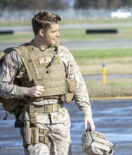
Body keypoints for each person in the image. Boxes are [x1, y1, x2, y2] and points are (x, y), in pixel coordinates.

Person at [0, 10, 95, 155]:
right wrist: (25, 91)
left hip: (60, 120)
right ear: (41, 32)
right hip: (34, 120)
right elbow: (2, 86)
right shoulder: (17, 56)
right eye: (54, 31)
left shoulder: (63, 53)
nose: (58, 35)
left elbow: (78, 85)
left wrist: (87, 113)